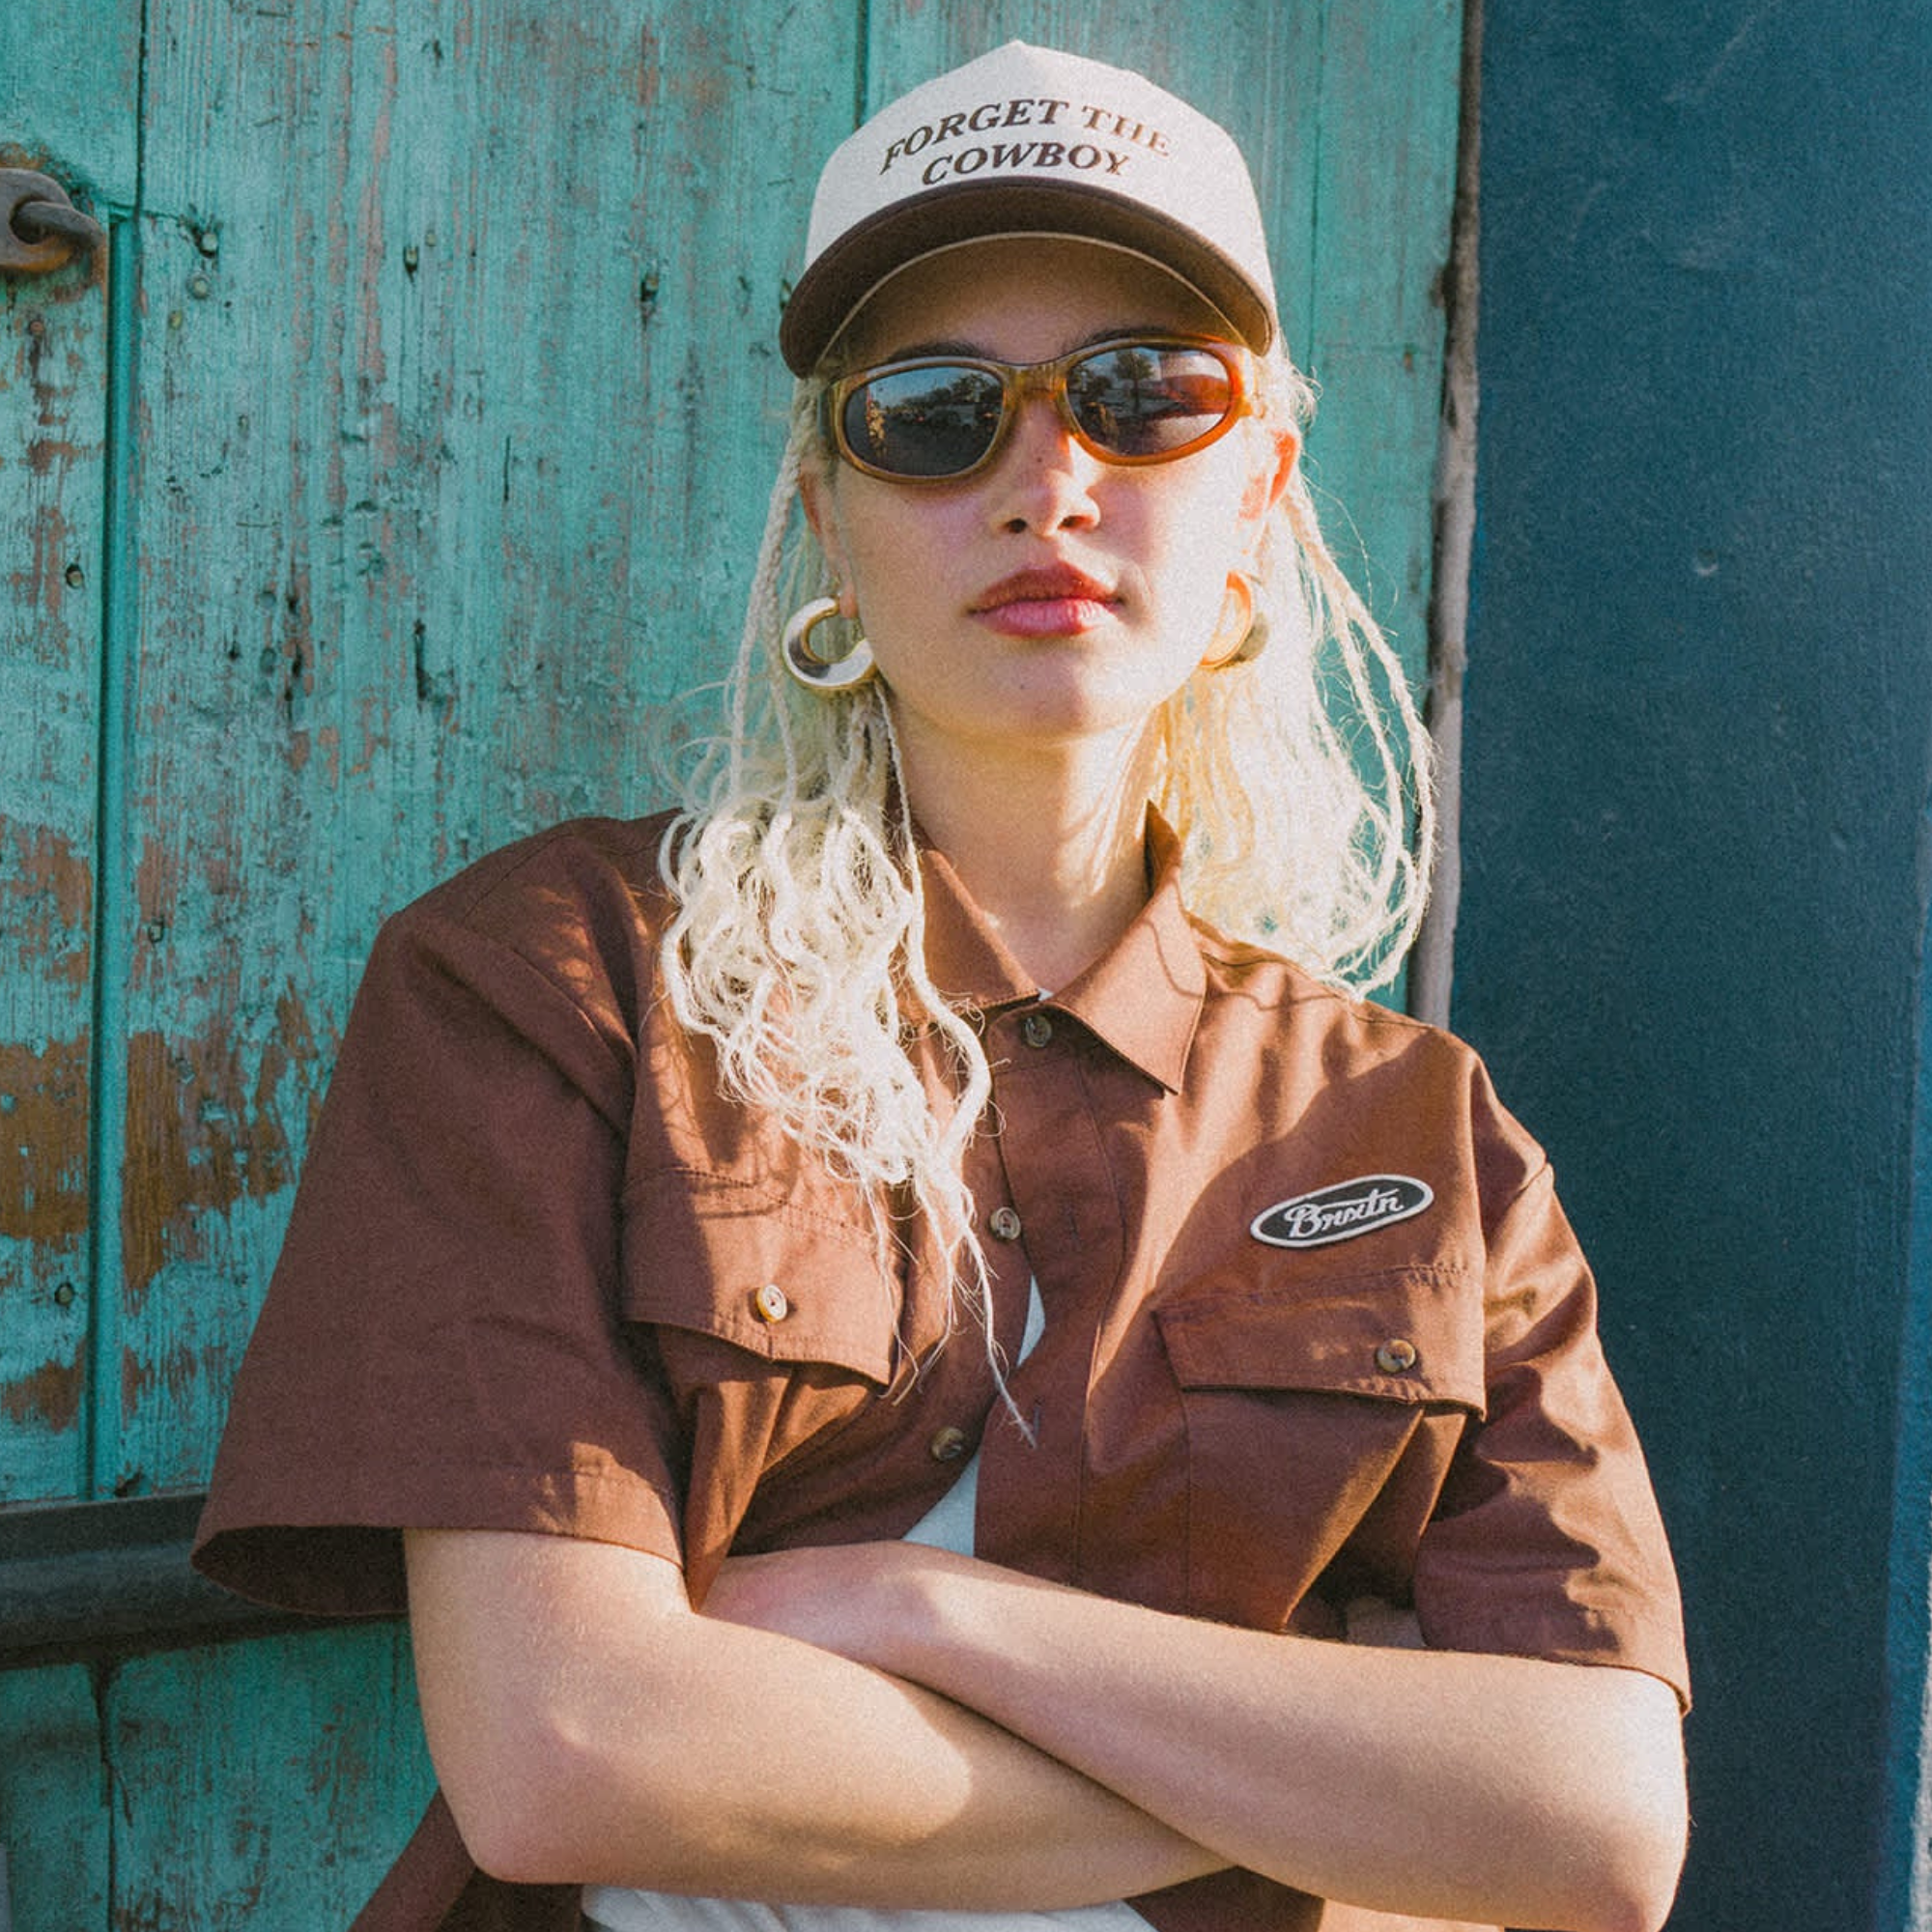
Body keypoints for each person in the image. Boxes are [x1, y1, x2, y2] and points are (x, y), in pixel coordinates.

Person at [193, 41, 1690, 1932]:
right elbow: (567, 1744)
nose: (1048, 480)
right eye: (931, 412)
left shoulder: (1413, 1131)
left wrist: (922, 1608)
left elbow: (1593, 1826)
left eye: (1147, 399)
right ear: (827, 510)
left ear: (1256, 498)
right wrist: (1335, 1802)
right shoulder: (551, 985)